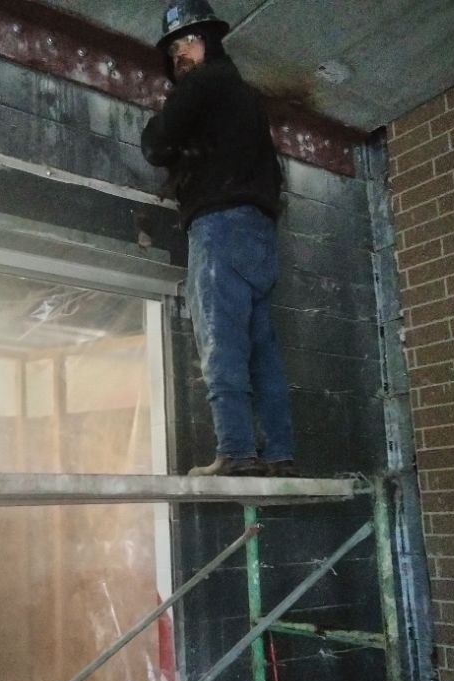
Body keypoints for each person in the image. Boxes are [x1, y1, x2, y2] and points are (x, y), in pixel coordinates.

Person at [142, 0, 297, 478]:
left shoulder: (206, 83)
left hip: (221, 225)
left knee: (220, 340)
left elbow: (156, 143)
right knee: (260, 348)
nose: (178, 55)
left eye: (185, 42)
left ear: (208, 39)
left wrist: (163, 124)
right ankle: (279, 455)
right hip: (259, 232)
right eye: (172, 49)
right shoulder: (243, 100)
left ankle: (235, 451)